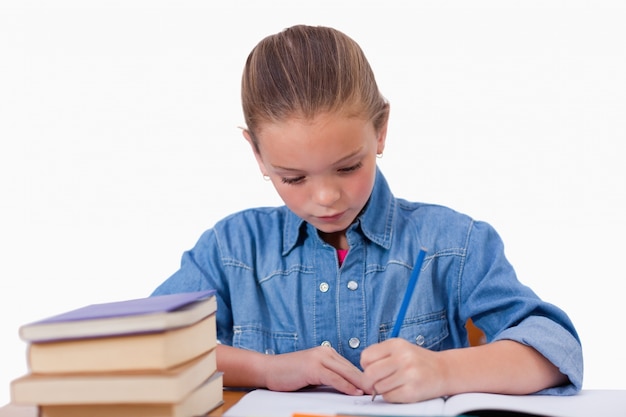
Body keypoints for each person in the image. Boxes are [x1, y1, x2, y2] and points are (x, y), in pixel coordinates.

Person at [152, 24, 583, 403]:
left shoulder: (453, 243)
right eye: (293, 178)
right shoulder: (231, 250)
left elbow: (556, 351)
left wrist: (443, 371)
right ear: (257, 155)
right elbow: (152, 346)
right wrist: (267, 370)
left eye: (347, 167)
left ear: (380, 130)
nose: (325, 197)